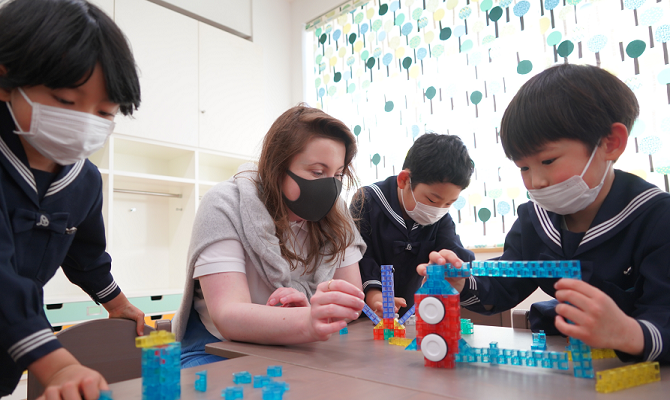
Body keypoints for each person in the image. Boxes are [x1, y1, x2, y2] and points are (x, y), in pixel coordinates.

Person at [420, 64, 670, 363]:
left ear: (610, 143)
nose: (535, 181)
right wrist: (462, 281)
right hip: (573, 366)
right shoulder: (534, 220)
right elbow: (504, 284)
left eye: (548, 161)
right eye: (524, 168)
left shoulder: (656, 218)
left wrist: (627, 332)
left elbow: (663, 310)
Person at [0, 0, 147, 398]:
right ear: (6, 81)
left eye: (104, 112)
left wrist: (115, 303)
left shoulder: (84, 180)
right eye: (67, 102)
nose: (84, 123)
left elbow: (85, 255)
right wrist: (61, 365)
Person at [174, 105, 367, 368]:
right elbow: (228, 315)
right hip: (219, 349)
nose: (330, 185)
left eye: (338, 174)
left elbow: (352, 297)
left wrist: (310, 308)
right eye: (317, 172)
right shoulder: (224, 204)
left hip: (303, 346)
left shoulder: (337, 211)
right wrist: (307, 319)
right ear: (277, 166)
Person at [350, 133, 475, 317]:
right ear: (404, 180)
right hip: (365, 313)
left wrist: (458, 268)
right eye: (432, 199)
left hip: (409, 316)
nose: (438, 210)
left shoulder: (440, 218)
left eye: (449, 203)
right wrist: (375, 295)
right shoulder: (367, 201)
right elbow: (358, 255)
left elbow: (452, 252)